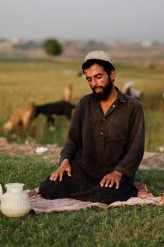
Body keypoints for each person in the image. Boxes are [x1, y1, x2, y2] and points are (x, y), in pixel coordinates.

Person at [39, 51, 145, 204]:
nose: (94, 84)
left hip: (115, 170)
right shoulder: (84, 104)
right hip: (84, 169)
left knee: (106, 195)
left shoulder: (133, 107)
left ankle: (114, 189)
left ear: (112, 74)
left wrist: (118, 172)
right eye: (89, 79)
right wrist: (65, 161)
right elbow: (72, 140)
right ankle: (92, 189)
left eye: (98, 77)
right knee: (48, 188)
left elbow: (136, 148)